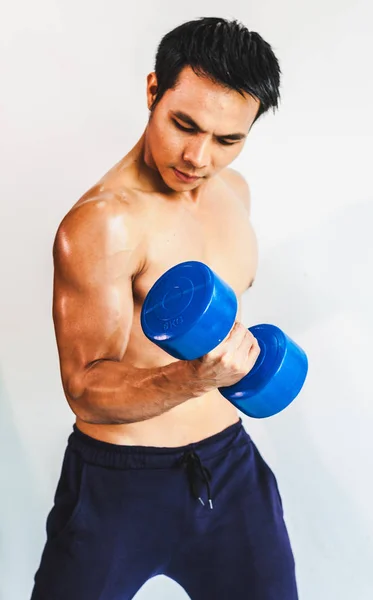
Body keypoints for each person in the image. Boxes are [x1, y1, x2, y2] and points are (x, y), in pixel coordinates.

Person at [31, 17, 298, 600]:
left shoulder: (236, 194)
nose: (199, 156)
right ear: (154, 91)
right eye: (184, 125)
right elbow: (85, 386)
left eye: (228, 140)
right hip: (117, 484)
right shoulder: (103, 223)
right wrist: (195, 376)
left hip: (229, 470)